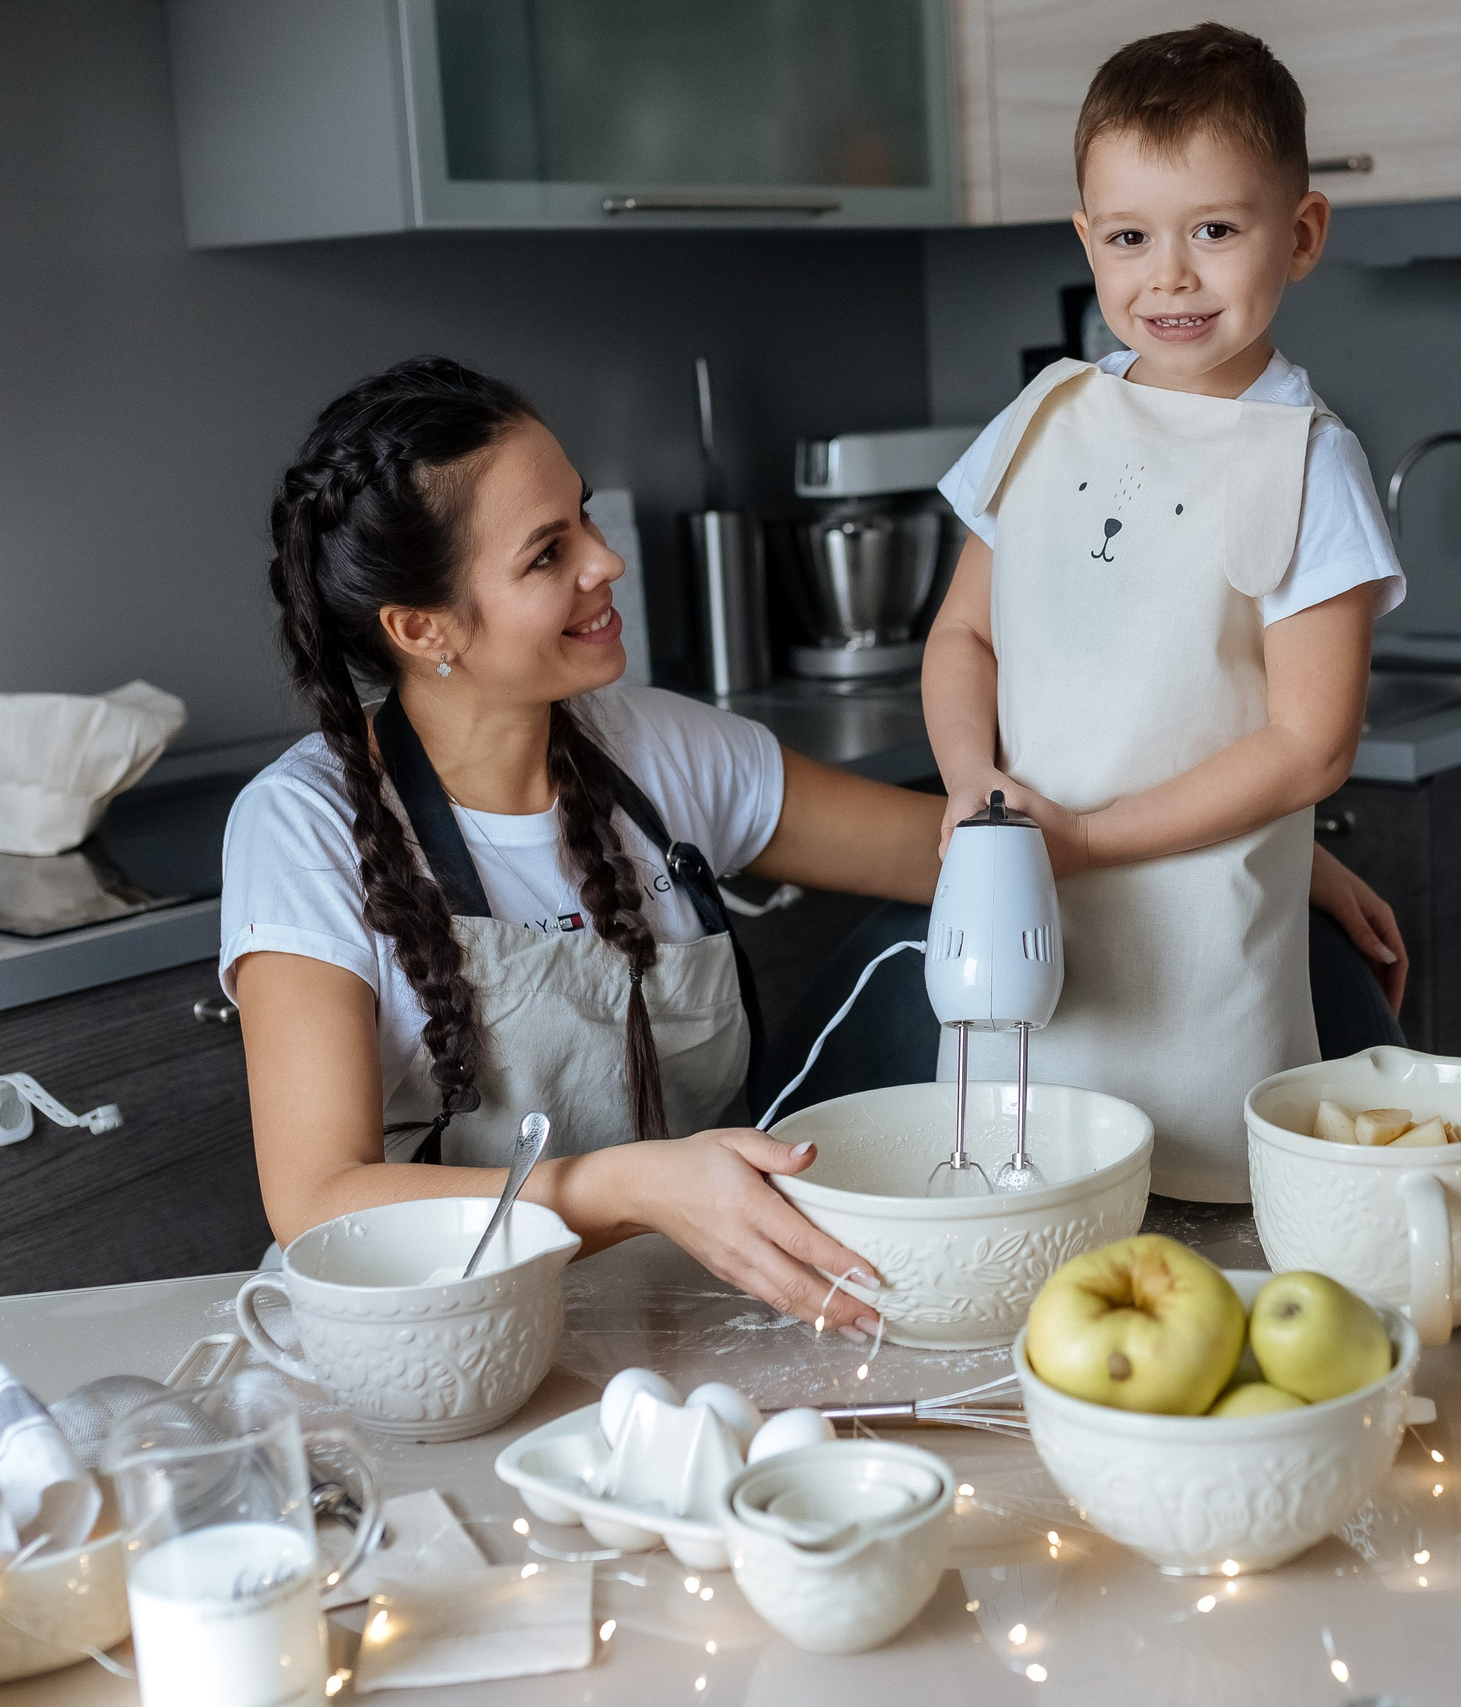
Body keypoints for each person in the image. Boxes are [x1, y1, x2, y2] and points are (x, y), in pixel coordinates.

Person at [223, 356, 946, 1335]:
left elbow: (961, 862)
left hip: (680, 1316)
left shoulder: (660, 750)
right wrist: (626, 1186)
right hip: (428, 1344)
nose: (605, 562)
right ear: (422, 627)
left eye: (587, 518)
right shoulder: (304, 826)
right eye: (546, 554)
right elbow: (316, 1203)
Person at [924, 24, 1407, 1200]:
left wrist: (1082, 841)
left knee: (1190, 1252)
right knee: (1013, 1215)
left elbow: (1310, 745)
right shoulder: (1043, 414)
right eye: (1131, 237)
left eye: (1216, 231)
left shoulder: (1307, 461)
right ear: (1087, 240)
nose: (1170, 275)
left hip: (1204, 991)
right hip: (1018, 941)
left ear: (1299, 237)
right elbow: (962, 637)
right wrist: (968, 786)